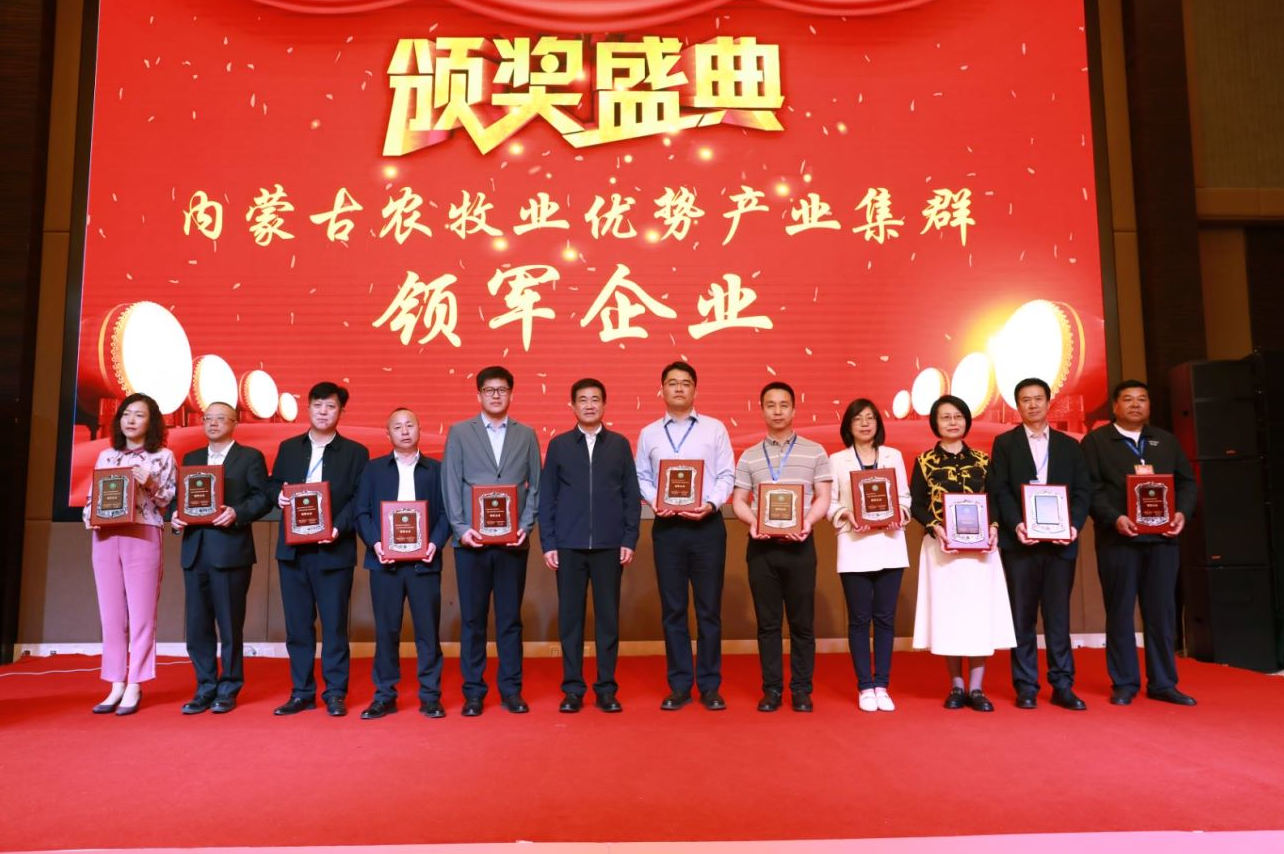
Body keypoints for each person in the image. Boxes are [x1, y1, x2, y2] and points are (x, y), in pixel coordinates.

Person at [1081, 379, 1198, 706]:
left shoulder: (1166, 441)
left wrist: (1182, 513)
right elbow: (1090, 489)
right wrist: (1114, 518)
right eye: (1128, 399)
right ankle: (1124, 683)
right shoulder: (1096, 442)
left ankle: (1163, 683)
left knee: (1162, 613)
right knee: (1119, 612)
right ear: (1115, 406)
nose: (1135, 405)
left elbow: (1187, 484)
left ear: (1149, 405)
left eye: (1142, 399)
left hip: (1162, 541)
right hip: (1118, 540)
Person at [635, 361, 736, 711]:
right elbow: (641, 476)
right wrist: (655, 501)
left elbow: (726, 474)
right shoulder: (649, 433)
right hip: (668, 530)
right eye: (672, 383)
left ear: (695, 389)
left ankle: (709, 685)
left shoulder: (715, 429)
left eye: (686, 383)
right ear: (662, 389)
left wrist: (710, 504)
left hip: (707, 527)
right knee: (673, 610)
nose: (679, 388)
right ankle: (679, 685)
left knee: (709, 610)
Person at [989, 378, 1093, 711]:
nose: (1032, 405)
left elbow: (1083, 491)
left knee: (1058, 617)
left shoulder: (1070, 445)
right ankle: (1026, 685)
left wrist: (1073, 526)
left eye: (1038, 399)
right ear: (1017, 405)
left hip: (1061, 544)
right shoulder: (1005, 443)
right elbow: (1000, 490)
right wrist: (1017, 525)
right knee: (1022, 617)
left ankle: (1062, 685)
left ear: (1049, 403)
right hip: (1020, 544)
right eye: (1025, 400)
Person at [442, 365, 541, 716]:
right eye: (489, 390)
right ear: (479, 394)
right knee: (473, 619)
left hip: (513, 542)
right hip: (471, 543)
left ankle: (511, 690)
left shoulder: (526, 434)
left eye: (502, 390)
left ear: (511, 394)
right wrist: (460, 528)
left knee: (510, 619)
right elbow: (451, 483)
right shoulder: (459, 432)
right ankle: (473, 692)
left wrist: (525, 526)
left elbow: (536, 486)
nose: (495, 395)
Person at [267, 382, 369, 717]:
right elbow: (273, 484)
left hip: (333, 551)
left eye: (331, 406)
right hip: (293, 552)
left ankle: (335, 693)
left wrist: (338, 527)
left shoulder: (355, 452)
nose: (323, 412)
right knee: (298, 626)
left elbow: (359, 499)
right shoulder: (288, 448)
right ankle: (302, 692)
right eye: (318, 405)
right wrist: (277, 496)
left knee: (334, 626)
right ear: (308, 408)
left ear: (341, 412)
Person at [539, 378, 641, 713]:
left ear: (604, 405)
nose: (589, 405)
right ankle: (572, 689)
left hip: (610, 546)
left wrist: (629, 539)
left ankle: (606, 688)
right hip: (568, 546)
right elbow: (547, 497)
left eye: (595, 399)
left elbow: (631, 496)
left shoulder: (620, 445)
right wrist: (548, 542)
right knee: (570, 620)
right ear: (572, 405)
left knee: (608, 620)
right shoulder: (559, 445)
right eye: (582, 400)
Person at [730, 382, 833, 713]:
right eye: (771, 405)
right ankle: (772, 689)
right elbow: (739, 500)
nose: (777, 411)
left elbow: (824, 496)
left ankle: (801, 689)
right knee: (768, 624)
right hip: (762, 549)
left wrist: (808, 522)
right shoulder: (749, 455)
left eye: (784, 405)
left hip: (800, 546)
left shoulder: (815, 451)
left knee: (802, 623)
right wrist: (753, 523)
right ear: (761, 409)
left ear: (793, 409)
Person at [910, 395, 1016, 712]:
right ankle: (956, 686)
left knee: (977, 615)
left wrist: (994, 526)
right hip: (942, 548)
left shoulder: (983, 460)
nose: (952, 422)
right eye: (945, 417)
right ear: (935, 423)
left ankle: (977, 688)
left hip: (981, 550)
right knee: (950, 616)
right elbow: (916, 504)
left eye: (958, 416)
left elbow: (994, 499)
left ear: (967, 420)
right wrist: (934, 527)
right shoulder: (924, 461)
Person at [171, 401, 272, 715]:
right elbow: (179, 498)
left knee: (229, 626)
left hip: (230, 551)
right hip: (195, 551)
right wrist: (174, 515)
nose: (213, 423)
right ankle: (204, 688)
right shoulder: (191, 458)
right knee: (197, 627)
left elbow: (263, 497)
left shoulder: (250, 457)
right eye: (208, 418)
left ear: (234, 423)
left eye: (220, 418)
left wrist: (237, 513)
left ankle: (228, 688)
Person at [353, 407, 452, 720]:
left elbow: (447, 514)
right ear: (388, 434)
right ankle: (384, 696)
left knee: (428, 633)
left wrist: (434, 544)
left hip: (425, 563)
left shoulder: (437, 470)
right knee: (386, 632)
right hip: (385, 563)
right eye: (398, 427)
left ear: (419, 429)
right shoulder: (373, 470)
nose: (405, 431)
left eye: (410, 425)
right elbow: (361, 513)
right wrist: (376, 544)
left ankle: (430, 696)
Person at [84, 393, 176, 716]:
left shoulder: (163, 456)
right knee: (111, 615)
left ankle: (135, 681)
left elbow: (167, 499)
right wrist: (92, 518)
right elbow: (91, 498)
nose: (131, 420)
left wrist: (150, 482)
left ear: (151, 422)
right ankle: (115, 682)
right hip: (105, 537)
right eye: (126, 414)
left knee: (142, 614)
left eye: (139, 415)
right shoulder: (106, 456)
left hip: (143, 533)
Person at [827, 398, 911, 713]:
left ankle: (882, 685)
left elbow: (904, 497)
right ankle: (865, 686)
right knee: (860, 619)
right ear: (848, 425)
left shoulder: (893, 456)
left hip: (890, 544)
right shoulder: (837, 460)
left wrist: (899, 514)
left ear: (878, 423)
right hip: (855, 545)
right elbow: (831, 503)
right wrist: (847, 515)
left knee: (885, 619)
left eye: (870, 418)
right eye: (858, 419)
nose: (865, 424)